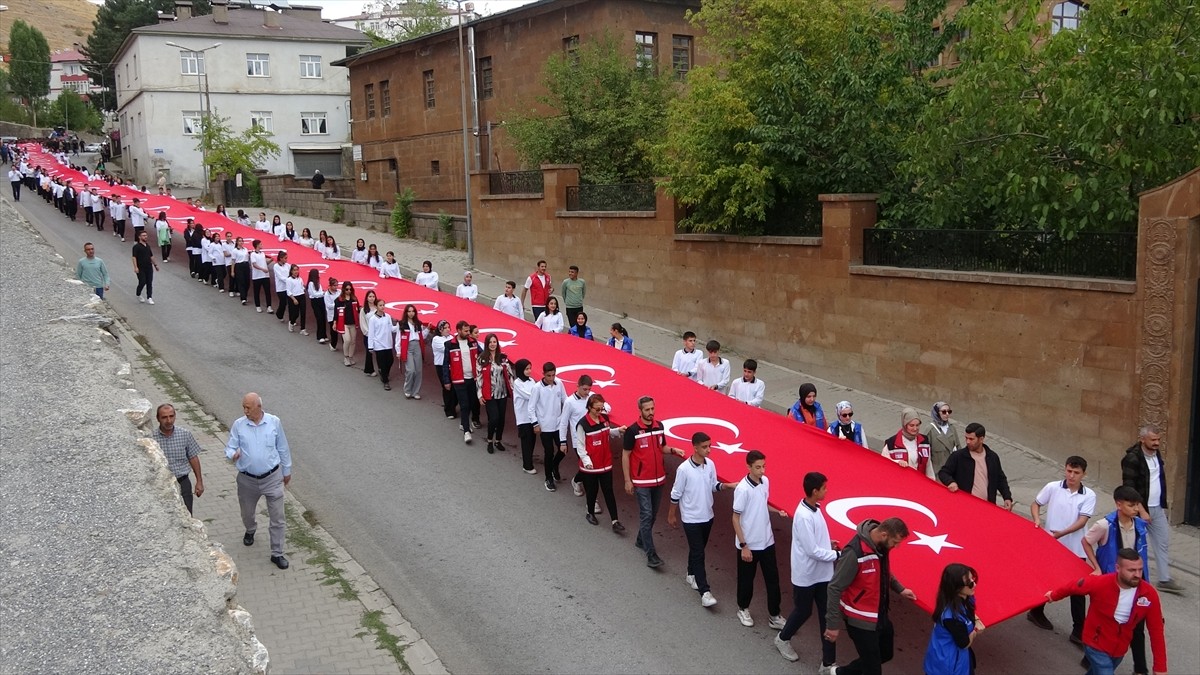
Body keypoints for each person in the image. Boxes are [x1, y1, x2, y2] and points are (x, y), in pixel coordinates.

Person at [1044, 549, 1168, 675]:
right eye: (1131, 570)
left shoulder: (1149, 594)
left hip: (1119, 650)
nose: (1137, 574)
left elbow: (1156, 631)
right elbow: (1075, 586)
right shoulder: (1101, 583)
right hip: (1094, 643)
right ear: (1118, 568)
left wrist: (1160, 667)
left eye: (1140, 570)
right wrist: (1053, 595)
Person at [824, 517, 917, 675]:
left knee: (885, 653)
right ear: (884, 535)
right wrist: (832, 625)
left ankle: (841, 673)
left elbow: (883, 570)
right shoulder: (854, 553)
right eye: (895, 542)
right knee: (873, 669)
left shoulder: (881, 546)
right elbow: (834, 587)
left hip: (878, 614)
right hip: (860, 620)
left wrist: (900, 589)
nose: (897, 546)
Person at [1082, 487, 1152, 675]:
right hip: (1110, 583)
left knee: (1136, 624)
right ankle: (1091, 655)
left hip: (1134, 581)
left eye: (1137, 505)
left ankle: (1140, 668)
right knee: (1104, 622)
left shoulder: (1139, 526)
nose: (1136, 509)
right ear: (1118, 504)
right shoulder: (1104, 525)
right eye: (1132, 505)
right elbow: (1086, 541)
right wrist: (1096, 567)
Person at [1027, 455, 1096, 643]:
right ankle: (1036, 610)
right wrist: (1037, 519)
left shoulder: (1089, 495)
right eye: (1069, 471)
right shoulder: (1052, 487)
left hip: (1076, 549)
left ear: (1084, 474)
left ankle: (1078, 630)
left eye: (1076, 473)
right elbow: (1036, 503)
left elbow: (1083, 521)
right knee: (1047, 581)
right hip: (1052, 546)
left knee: (1078, 590)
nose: (1071, 476)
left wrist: (1062, 533)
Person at [775, 472, 840, 670]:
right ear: (815, 491)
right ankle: (782, 638)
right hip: (806, 574)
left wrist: (827, 544)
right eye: (824, 488)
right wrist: (836, 555)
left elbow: (814, 541)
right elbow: (811, 551)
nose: (826, 490)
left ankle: (828, 662)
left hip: (822, 574)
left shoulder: (814, 509)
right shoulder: (803, 516)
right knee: (803, 611)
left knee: (827, 616)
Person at [225, 393, 293, 570]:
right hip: (247, 480)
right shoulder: (239, 425)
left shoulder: (273, 422)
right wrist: (233, 454)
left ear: (258, 407)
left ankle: (277, 553)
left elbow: (283, 447)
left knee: (278, 518)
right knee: (247, 512)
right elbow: (230, 447)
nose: (245, 411)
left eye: (248, 407)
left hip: (272, 477)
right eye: (244, 407)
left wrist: (287, 470)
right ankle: (250, 529)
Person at [669, 432, 737, 608]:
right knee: (699, 552)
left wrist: (726, 486)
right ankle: (705, 592)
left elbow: (713, 485)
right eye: (705, 447)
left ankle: (691, 573)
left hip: (707, 516)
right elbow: (676, 494)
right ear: (695, 448)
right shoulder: (683, 469)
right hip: (691, 518)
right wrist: (671, 514)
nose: (709, 450)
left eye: (710, 446)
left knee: (697, 548)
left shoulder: (710, 465)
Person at [622, 396, 685, 568]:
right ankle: (651, 555)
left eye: (652, 409)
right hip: (642, 481)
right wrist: (628, 480)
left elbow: (661, 447)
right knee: (647, 514)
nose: (651, 412)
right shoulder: (632, 431)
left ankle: (641, 539)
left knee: (653, 514)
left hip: (659, 480)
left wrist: (672, 450)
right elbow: (626, 455)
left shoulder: (659, 427)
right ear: (640, 411)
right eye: (647, 410)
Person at [1121, 426, 1183, 595]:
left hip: (1157, 508)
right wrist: (1141, 510)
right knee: (1135, 544)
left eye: (1158, 440)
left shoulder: (1156, 454)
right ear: (1142, 439)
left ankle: (1164, 579)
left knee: (1162, 542)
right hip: (1140, 510)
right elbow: (1129, 487)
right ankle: (1131, 575)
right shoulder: (1132, 459)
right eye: (1153, 440)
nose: (1156, 443)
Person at [732, 450, 788, 630]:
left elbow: (763, 504)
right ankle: (743, 608)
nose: (762, 471)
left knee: (773, 580)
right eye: (758, 467)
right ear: (748, 467)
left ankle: (774, 615)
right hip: (749, 544)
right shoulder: (742, 489)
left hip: (767, 541)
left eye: (763, 466)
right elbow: (735, 518)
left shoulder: (765, 482)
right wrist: (744, 546)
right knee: (746, 580)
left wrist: (776, 511)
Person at [573, 393, 626, 532]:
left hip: (606, 463)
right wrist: (587, 462)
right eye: (597, 409)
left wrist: (617, 431)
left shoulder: (605, 419)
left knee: (608, 491)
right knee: (592, 490)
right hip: (590, 467)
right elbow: (580, 445)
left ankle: (615, 521)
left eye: (601, 409)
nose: (599, 412)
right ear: (589, 408)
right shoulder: (582, 425)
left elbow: (607, 432)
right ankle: (590, 512)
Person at [923, 564, 983, 675]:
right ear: (957, 587)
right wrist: (975, 631)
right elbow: (964, 643)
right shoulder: (951, 617)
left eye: (973, 579)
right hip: (950, 666)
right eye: (969, 583)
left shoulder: (960, 599)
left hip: (946, 658)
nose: (974, 584)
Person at [937, 423, 1013, 509]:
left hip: (988, 507)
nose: (967, 442)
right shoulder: (958, 456)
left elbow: (1000, 479)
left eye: (971, 439)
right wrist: (950, 482)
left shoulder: (992, 457)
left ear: (981, 439)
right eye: (966, 438)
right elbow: (943, 472)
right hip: (964, 506)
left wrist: (1007, 497)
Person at [151, 404, 204, 515]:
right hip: (162, 485)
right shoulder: (151, 438)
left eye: (171, 416)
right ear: (158, 418)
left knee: (188, 515)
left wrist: (199, 482)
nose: (169, 420)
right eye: (164, 417)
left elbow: (193, 457)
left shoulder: (185, 434)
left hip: (183, 482)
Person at [528, 361, 567, 491]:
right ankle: (548, 478)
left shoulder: (559, 383)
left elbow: (565, 401)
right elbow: (531, 407)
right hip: (545, 426)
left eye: (553, 375)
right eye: (549, 375)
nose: (551, 378)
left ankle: (554, 466)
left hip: (558, 424)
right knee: (549, 452)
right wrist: (535, 424)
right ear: (543, 374)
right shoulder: (537, 388)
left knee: (563, 450)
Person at [441, 320, 481, 444]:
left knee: (472, 402)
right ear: (458, 330)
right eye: (466, 331)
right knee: (464, 405)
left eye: (469, 331)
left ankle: (464, 423)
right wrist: (446, 380)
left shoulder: (473, 342)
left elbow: (481, 355)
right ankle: (466, 432)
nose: (468, 333)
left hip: (472, 379)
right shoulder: (449, 344)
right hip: (459, 380)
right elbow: (445, 364)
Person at [477, 334, 512, 453]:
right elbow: (479, 378)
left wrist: (513, 390)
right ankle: (490, 440)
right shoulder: (482, 358)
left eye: (494, 342)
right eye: (490, 342)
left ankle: (498, 440)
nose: (493, 344)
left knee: (501, 419)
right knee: (494, 418)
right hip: (489, 394)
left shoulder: (503, 358)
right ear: (487, 344)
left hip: (502, 394)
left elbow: (510, 375)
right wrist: (480, 395)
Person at [882, 408, 935, 479]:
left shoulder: (924, 441)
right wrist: (897, 462)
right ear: (905, 425)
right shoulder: (891, 443)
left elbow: (928, 466)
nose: (915, 428)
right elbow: (883, 464)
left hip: (919, 484)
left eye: (917, 425)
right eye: (912, 425)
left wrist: (931, 483)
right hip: (899, 484)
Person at [512, 359, 539, 474]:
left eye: (529, 368)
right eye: (526, 369)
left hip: (532, 417)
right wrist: (539, 396)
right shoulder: (517, 383)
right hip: (523, 418)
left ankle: (529, 459)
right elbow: (529, 396)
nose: (529, 371)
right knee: (526, 441)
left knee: (532, 440)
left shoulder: (532, 381)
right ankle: (527, 465)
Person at [366, 298, 398, 390]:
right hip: (378, 345)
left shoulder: (387, 316)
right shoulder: (373, 319)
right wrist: (370, 346)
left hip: (388, 343)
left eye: (383, 305)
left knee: (390, 360)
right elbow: (371, 333)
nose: (382, 307)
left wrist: (398, 326)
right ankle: (385, 381)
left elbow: (391, 328)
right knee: (382, 363)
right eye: (380, 305)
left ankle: (384, 373)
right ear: (376, 306)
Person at [397, 304, 428, 399]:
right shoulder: (401, 324)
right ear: (406, 313)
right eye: (409, 311)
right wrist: (398, 351)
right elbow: (398, 338)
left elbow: (422, 336)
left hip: (417, 346)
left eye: (413, 311)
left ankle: (415, 391)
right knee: (411, 370)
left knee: (418, 370)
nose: (411, 313)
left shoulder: (418, 323)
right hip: (407, 347)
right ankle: (407, 389)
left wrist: (428, 330)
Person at [927, 402, 963, 474]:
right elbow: (926, 454)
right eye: (944, 412)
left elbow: (958, 448)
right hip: (937, 472)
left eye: (949, 411)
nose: (947, 414)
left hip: (952, 471)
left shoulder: (952, 428)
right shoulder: (930, 430)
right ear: (936, 413)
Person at [431, 320, 456, 418]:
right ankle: (449, 410)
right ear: (440, 329)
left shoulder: (451, 337)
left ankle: (452, 405)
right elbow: (447, 349)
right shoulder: (436, 339)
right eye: (445, 328)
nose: (447, 329)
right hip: (441, 366)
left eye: (448, 327)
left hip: (451, 366)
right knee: (447, 387)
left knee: (454, 388)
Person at [333, 281, 361, 367]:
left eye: (350, 289)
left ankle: (351, 356)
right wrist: (335, 323)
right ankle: (346, 357)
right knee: (347, 340)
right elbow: (336, 313)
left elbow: (358, 310)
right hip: (343, 323)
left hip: (353, 323)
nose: (349, 291)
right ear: (343, 289)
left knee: (353, 341)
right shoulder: (339, 300)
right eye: (347, 289)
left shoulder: (354, 299)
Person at [132, 230, 158, 304]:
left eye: (146, 235)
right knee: (142, 281)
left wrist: (155, 265)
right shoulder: (136, 247)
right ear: (139, 237)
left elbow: (151, 256)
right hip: (140, 267)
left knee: (149, 282)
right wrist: (135, 267)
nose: (145, 237)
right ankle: (138, 294)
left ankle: (149, 297)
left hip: (149, 267)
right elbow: (134, 257)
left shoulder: (147, 246)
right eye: (143, 235)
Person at [285, 264, 308, 335]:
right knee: (295, 313)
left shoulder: (300, 279)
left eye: (297, 270)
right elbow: (288, 291)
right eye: (294, 270)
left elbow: (302, 287)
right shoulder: (289, 280)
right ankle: (291, 322)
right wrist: (294, 299)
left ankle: (303, 329)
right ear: (291, 271)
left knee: (303, 313)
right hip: (294, 297)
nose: (296, 272)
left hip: (301, 296)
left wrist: (303, 290)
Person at [249, 240, 271, 312]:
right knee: (257, 291)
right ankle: (258, 306)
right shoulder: (253, 254)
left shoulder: (262, 253)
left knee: (267, 291)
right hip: (257, 276)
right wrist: (262, 269)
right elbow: (254, 265)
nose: (262, 245)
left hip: (265, 276)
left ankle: (269, 306)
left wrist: (271, 260)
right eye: (260, 244)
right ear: (257, 245)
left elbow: (265, 262)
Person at [272, 250, 292, 322]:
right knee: (283, 303)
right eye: (285, 258)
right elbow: (280, 277)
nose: (286, 259)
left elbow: (291, 273)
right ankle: (279, 314)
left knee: (290, 303)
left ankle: (292, 319)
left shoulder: (288, 265)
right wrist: (289, 281)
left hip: (288, 287)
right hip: (281, 288)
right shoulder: (276, 266)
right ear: (281, 258)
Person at [323, 276, 340, 351]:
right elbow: (329, 306)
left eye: (337, 285)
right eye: (334, 285)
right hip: (331, 315)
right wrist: (337, 305)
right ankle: (333, 345)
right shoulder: (327, 294)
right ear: (330, 286)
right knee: (334, 331)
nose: (336, 287)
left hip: (339, 314)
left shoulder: (339, 292)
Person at [232, 237, 250, 305]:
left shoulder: (245, 249)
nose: (241, 242)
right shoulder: (235, 250)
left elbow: (247, 258)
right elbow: (233, 261)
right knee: (241, 281)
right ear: (237, 242)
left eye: (242, 241)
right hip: (239, 266)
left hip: (246, 265)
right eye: (239, 241)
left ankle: (245, 294)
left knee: (247, 282)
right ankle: (243, 298)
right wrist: (232, 271)